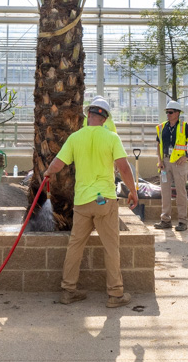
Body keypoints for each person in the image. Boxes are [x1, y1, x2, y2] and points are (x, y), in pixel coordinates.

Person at [44, 97, 138, 308]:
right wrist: (133, 190)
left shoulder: (76, 137)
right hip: (104, 200)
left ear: (88, 116)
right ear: (105, 119)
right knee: (111, 247)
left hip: (83, 201)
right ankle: (115, 295)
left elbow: (58, 163)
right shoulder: (112, 137)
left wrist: (47, 173)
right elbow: (123, 167)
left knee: (75, 245)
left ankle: (68, 291)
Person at [154, 100, 188, 232]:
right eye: (167, 112)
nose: (168, 114)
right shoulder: (161, 127)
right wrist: (160, 160)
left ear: (178, 113)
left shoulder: (184, 127)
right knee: (165, 192)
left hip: (179, 164)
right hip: (165, 163)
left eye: (170, 112)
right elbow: (158, 145)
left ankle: (182, 221)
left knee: (181, 192)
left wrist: (187, 156)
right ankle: (165, 220)